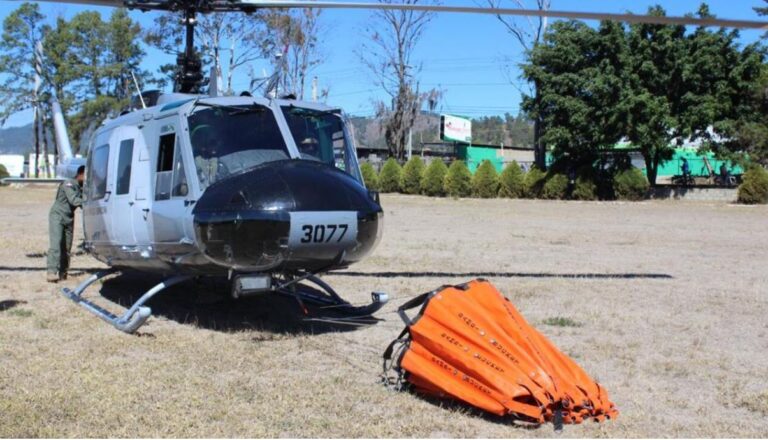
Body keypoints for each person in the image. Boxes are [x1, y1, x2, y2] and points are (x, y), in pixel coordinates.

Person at [47, 165, 84, 283]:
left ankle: (63, 271)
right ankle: (52, 271)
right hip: (58, 216)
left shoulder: (82, 187)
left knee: (67, 247)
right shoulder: (68, 184)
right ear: (80, 174)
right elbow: (74, 200)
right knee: (56, 243)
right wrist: (89, 202)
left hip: (69, 217)